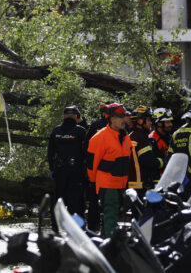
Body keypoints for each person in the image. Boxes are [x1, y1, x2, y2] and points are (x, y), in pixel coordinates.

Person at [87, 103, 131, 238]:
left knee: (111, 215)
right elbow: (91, 164)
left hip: (121, 183)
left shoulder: (125, 136)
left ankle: (104, 243)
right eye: (120, 117)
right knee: (111, 214)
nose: (124, 119)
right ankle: (112, 247)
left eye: (124, 116)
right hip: (107, 183)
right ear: (111, 118)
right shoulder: (99, 138)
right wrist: (95, 183)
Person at [47, 105, 87, 219]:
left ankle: (57, 226)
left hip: (60, 171)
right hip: (76, 172)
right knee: (76, 200)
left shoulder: (56, 130)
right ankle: (76, 227)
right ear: (76, 116)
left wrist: (51, 168)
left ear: (64, 116)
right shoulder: (81, 131)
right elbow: (87, 152)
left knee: (59, 200)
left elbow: (50, 152)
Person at [83, 102, 110, 232]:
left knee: (98, 201)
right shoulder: (97, 125)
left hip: (103, 170)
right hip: (101, 171)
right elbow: (87, 147)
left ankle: (94, 227)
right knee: (97, 201)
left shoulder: (97, 125)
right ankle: (98, 227)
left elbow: (86, 148)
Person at [129, 106, 164, 192]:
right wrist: (163, 161)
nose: (151, 123)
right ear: (140, 121)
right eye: (148, 120)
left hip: (134, 185)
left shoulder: (131, 136)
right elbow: (149, 161)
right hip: (143, 186)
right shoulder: (141, 138)